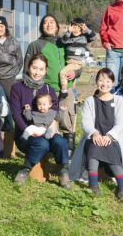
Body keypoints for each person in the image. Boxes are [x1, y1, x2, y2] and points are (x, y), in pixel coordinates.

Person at [11, 54, 72, 188]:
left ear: (45, 71)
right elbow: (16, 114)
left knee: (61, 141)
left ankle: (63, 172)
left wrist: (53, 124)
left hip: (47, 131)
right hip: (26, 135)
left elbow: (55, 110)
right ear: (28, 67)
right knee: (42, 144)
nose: (37, 72)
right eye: (34, 68)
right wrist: (29, 131)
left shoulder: (49, 89)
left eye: (41, 69)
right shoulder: (17, 88)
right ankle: (24, 170)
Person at [24, 14, 79, 159]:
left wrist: (76, 72)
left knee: (67, 118)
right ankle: (43, 153)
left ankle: (68, 156)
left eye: (52, 22)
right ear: (42, 27)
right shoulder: (36, 45)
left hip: (66, 88)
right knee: (45, 120)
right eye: (45, 23)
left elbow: (77, 61)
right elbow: (27, 69)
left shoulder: (65, 43)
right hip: (46, 90)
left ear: (57, 25)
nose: (49, 25)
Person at [69, 68, 123, 198]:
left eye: (108, 80)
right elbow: (86, 122)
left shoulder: (119, 101)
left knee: (110, 146)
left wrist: (109, 136)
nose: (104, 84)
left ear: (112, 83)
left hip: (113, 137)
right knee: (94, 146)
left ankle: (122, 185)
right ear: (96, 81)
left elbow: (120, 124)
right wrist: (94, 133)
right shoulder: (90, 100)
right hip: (94, 136)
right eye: (101, 80)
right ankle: (93, 184)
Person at [59, 17, 96, 101]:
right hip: (69, 62)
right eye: (74, 27)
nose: (76, 30)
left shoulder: (84, 38)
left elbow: (94, 37)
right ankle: (73, 100)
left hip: (76, 63)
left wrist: (86, 29)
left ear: (82, 29)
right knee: (72, 82)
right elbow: (63, 41)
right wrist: (68, 31)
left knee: (62, 73)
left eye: (79, 28)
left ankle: (63, 92)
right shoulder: (69, 38)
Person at [0, 16, 23, 101]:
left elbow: (20, 59)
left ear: (6, 28)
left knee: (12, 101)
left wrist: (13, 73)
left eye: (1, 26)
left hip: (10, 78)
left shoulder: (13, 41)